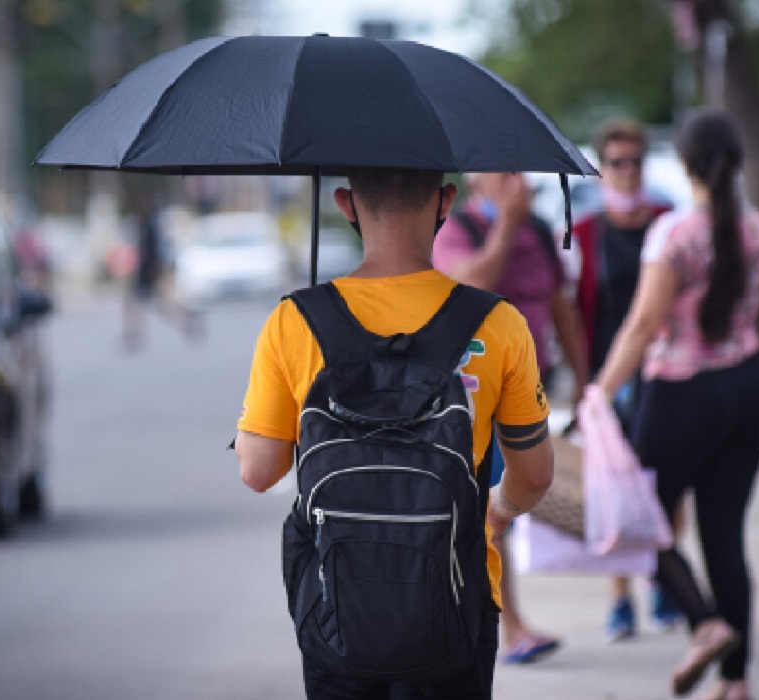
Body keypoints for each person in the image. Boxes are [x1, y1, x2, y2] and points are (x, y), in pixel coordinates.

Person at [236, 167, 556, 699]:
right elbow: (537, 475)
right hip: (457, 604)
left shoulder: (294, 321)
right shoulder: (498, 323)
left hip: (335, 609)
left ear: (345, 203)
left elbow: (257, 470)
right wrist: (495, 511)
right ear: (445, 201)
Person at [592, 110, 759, 700]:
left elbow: (645, 323)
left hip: (680, 394)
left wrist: (600, 389)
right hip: (747, 393)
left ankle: (705, 625)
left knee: (640, 523)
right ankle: (737, 680)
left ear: (686, 164)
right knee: (724, 535)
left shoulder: (674, 235)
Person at [433, 171, 589, 664]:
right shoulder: (460, 229)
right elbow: (473, 282)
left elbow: (561, 308)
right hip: (475, 395)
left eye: (518, 173)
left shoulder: (539, 231)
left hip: (531, 388)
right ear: (477, 183)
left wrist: (586, 383)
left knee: (504, 511)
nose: (514, 182)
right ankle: (508, 627)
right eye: (502, 174)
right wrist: (507, 225)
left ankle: (495, 622)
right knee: (488, 514)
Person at [568, 118, 682, 642]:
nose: (628, 171)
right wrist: (582, 381)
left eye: (636, 160)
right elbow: (574, 311)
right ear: (601, 169)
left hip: (669, 368)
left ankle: (666, 581)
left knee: (670, 482)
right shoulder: (585, 234)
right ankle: (620, 598)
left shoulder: (669, 222)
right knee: (614, 483)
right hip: (610, 372)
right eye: (617, 162)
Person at [122, 194, 201, 351]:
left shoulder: (150, 226)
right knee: (149, 305)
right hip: (146, 272)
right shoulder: (146, 224)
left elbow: (152, 251)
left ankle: (186, 319)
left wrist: (152, 270)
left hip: (148, 272)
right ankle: (133, 332)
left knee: (151, 304)